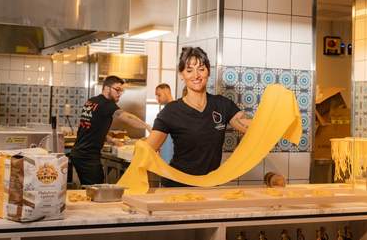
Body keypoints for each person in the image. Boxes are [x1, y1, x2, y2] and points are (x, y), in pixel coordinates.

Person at [145, 47, 250, 187]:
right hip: (177, 187)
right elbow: (147, 150)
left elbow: (252, 127)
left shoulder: (222, 105)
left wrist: (277, 118)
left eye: (201, 69)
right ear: (181, 75)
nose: (196, 75)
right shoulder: (171, 111)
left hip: (209, 186)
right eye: (189, 70)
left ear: (208, 71)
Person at [71, 75, 151, 185]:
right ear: (107, 88)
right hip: (87, 156)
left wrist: (112, 140)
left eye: (121, 91)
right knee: (96, 190)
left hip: (79, 153)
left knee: (91, 189)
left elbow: (93, 129)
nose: (119, 94)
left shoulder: (92, 101)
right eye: (117, 90)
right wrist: (148, 127)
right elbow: (127, 118)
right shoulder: (106, 104)